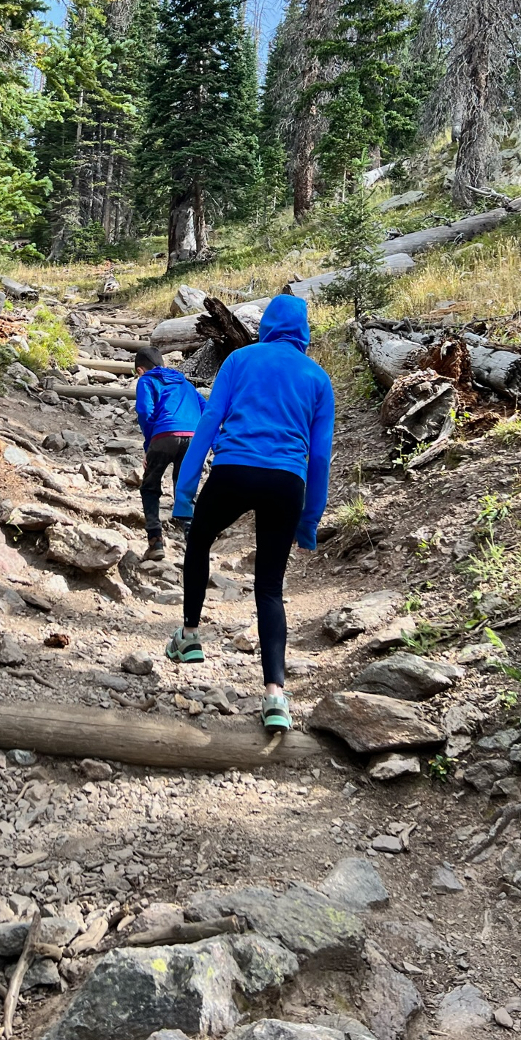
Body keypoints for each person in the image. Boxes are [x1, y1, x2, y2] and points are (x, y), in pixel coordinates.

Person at [167, 295, 334, 731]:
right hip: (287, 483)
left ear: (267, 327)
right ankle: (275, 697)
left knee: (199, 539)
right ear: (304, 331)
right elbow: (320, 458)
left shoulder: (240, 360)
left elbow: (208, 424)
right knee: (270, 589)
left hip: (234, 471)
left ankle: (189, 635)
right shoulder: (318, 378)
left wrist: (185, 492)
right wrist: (309, 520)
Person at [133, 346, 205, 562]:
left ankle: (155, 541)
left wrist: (149, 443)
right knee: (184, 485)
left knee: (150, 486)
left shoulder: (146, 380)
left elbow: (145, 411)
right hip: (193, 437)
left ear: (139, 370)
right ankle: (193, 539)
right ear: (164, 365)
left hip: (164, 435)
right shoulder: (185, 383)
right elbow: (206, 408)